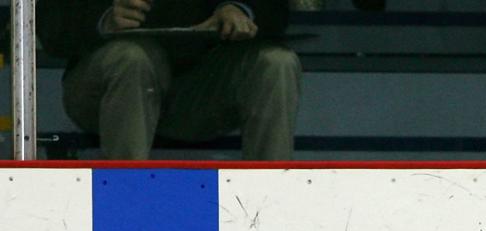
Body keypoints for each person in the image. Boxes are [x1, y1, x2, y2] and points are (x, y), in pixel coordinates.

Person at [37, 0, 301, 160]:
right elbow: (49, 28)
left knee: (276, 63)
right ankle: (126, 204)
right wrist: (105, 17)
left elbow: (276, 11)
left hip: (199, 86)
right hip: (107, 87)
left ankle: (268, 208)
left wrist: (238, 8)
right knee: (132, 58)